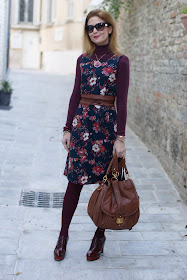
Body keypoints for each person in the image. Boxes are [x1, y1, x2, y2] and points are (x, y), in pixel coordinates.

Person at [54, 8, 130, 262]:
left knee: (105, 185)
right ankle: (63, 235)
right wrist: (67, 128)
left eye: (99, 26)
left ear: (109, 28)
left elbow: (123, 101)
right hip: (82, 125)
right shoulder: (82, 60)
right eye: (90, 27)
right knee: (73, 183)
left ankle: (99, 234)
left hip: (106, 128)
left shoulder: (120, 61)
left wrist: (121, 138)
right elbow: (75, 94)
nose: (95, 31)